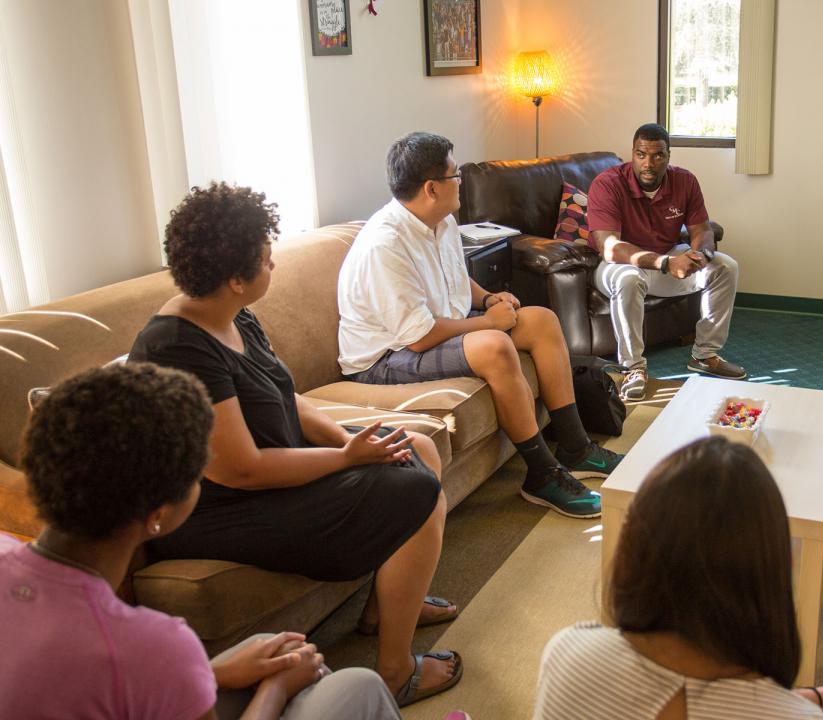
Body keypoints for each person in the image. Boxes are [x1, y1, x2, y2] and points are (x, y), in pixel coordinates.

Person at [128, 182, 462, 707]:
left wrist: (360, 441)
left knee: (414, 445)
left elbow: (286, 397)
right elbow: (240, 470)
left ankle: (386, 605)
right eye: (265, 260)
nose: (273, 267)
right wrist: (346, 458)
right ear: (235, 278)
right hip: (225, 508)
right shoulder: (177, 345)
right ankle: (396, 671)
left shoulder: (232, 313)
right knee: (414, 490)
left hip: (272, 473)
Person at [0, 362, 401, 719]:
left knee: (267, 648)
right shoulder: (155, 644)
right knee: (357, 687)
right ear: (158, 514)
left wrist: (215, 674)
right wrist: (276, 691)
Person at [337, 132, 622, 520]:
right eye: (455, 175)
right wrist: (487, 323)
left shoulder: (442, 222)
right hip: (385, 357)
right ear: (432, 188)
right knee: (494, 345)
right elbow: (418, 338)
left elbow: (456, 282)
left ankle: (575, 446)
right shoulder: (385, 244)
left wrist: (488, 299)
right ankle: (541, 474)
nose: (461, 182)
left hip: (430, 329)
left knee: (540, 321)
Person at [534, 437, 823, 720]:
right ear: (778, 568)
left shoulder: (568, 653)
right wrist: (800, 705)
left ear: (634, 551)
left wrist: (804, 701)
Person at [587, 123, 745, 401]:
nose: (648, 163)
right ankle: (632, 368)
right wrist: (666, 264)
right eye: (641, 154)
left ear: (669, 156)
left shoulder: (685, 181)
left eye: (657, 155)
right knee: (629, 278)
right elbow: (609, 247)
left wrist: (700, 256)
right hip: (618, 265)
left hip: (667, 256)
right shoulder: (607, 183)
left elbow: (702, 231)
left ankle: (704, 354)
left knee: (725, 266)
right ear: (632, 154)